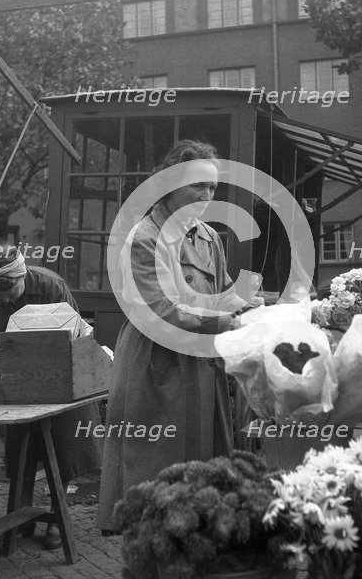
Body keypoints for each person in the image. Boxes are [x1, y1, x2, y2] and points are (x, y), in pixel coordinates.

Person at [97, 140, 261, 533]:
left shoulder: (208, 237)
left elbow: (219, 297)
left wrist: (251, 307)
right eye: (197, 186)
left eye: (212, 188)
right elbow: (161, 310)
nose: (206, 196)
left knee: (200, 464)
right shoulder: (144, 238)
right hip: (155, 364)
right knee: (155, 470)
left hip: (200, 362)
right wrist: (223, 323)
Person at [0, 247, 102, 550]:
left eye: (10, 289)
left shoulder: (52, 287)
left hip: (61, 377)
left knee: (62, 448)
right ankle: (20, 515)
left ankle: (57, 515)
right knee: (20, 449)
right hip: (19, 381)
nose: (6, 298)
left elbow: (77, 333)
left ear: (22, 275)